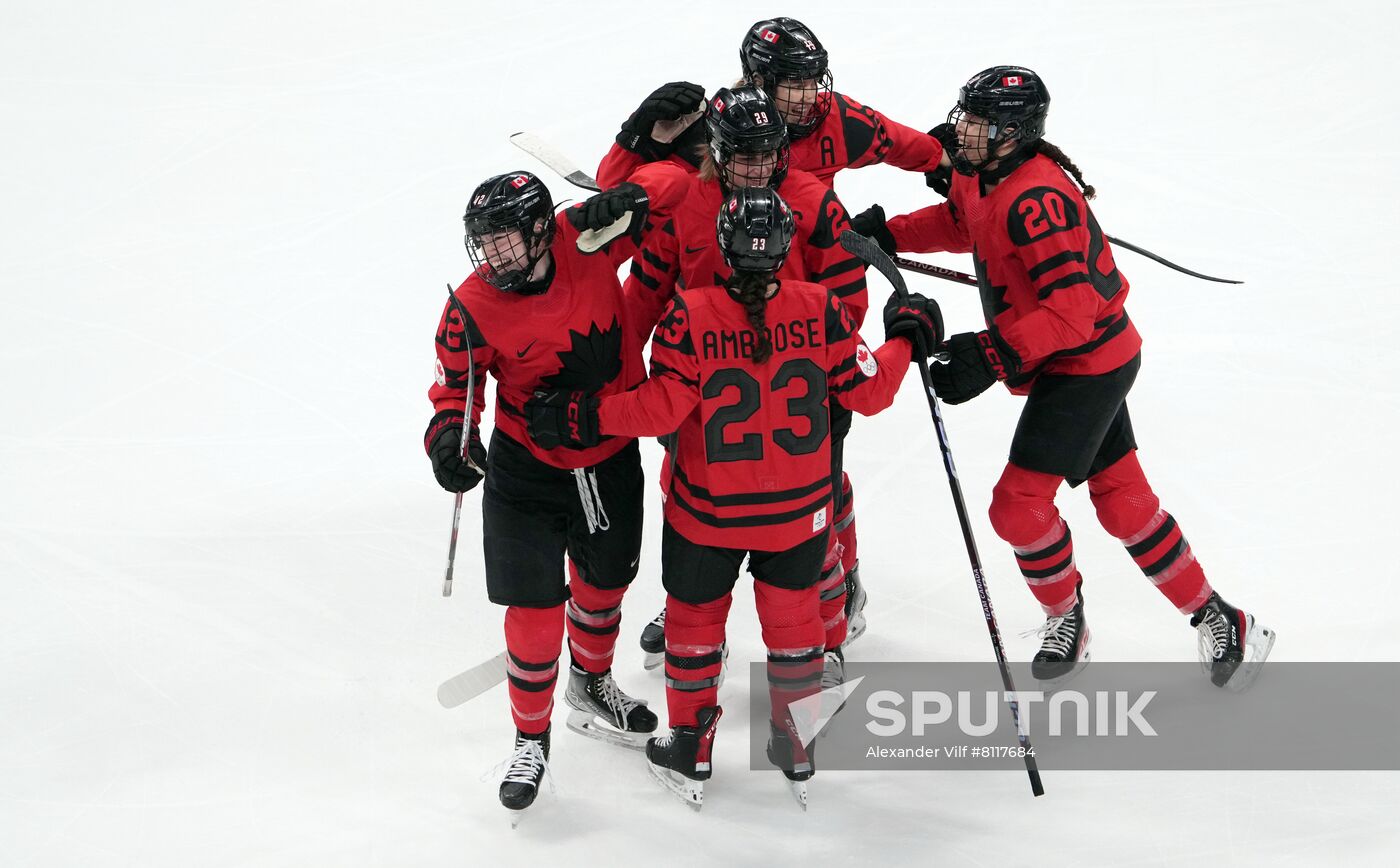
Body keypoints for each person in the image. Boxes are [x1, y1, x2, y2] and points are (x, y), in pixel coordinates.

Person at [850, 67, 1275, 690]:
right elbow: (961, 222)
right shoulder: (983, 175)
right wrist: (891, 233)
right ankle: (1222, 618)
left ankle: (1065, 616)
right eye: (966, 115)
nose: (963, 131)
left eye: (979, 123)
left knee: (1016, 508)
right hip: (1070, 359)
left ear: (1016, 133)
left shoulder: (1038, 200)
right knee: (1126, 504)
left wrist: (992, 354)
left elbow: (1072, 316)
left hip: (1087, 364)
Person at [524, 186, 941, 808]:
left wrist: (585, 415)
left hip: (709, 512)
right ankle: (796, 743)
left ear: (722, 246)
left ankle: (690, 747)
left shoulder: (688, 315)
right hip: (800, 513)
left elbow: (660, 407)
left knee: (693, 625)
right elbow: (870, 392)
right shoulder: (823, 307)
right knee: (795, 618)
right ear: (783, 249)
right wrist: (908, 337)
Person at [596, 86, 872, 680]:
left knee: (809, 519)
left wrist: (835, 364)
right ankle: (694, 610)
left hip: (801, 388)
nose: (756, 167)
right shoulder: (685, 204)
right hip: (704, 387)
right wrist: (622, 376)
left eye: (767, 154)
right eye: (742, 155)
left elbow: (850, 295)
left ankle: (829, 634)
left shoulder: (813, 203)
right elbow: (643, 295)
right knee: (687, 493)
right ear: (715, 150)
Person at [425, 171, 660, 816]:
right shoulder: (470, 306)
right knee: (532, 609)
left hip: (609, 451)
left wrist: (632, 187)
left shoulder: (584, 238)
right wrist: (450, 437)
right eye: (483, 244)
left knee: (605, 585)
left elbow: (664, 204)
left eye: (504, 241)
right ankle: (530, 738)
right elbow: (454, 387)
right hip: (525, 468)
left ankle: (590, 682)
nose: (492, 257)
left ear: (538, 230)